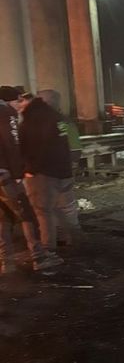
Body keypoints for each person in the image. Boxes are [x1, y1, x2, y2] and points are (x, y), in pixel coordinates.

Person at [0, 86, 63, 274]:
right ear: (10, 100)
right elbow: (12, 143)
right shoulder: (6, 113)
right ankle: (39, 257)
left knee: (4, 217)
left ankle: (6, 261)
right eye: (17, 100)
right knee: (27, 215)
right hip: (6, 175)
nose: (19, 104)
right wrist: (19, 173)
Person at [19, 89, 81, 254]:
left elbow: (36, 148)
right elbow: (72, 147)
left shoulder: (35, 120)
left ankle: (52, 245)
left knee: (48, 210)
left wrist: (30, 169)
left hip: (47, 173)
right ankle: (69, 237)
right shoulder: (62, 120)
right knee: (60, 207)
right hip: (63, 171)